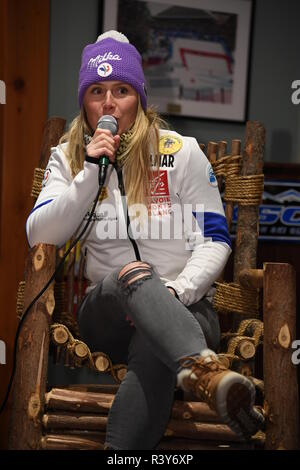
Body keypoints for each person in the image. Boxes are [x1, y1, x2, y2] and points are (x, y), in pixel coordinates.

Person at [26, 31, 264, 450]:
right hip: (106, 314)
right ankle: (208, 374)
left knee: (154, 347)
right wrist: (88, 174)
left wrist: (174, 293)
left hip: (188, 311)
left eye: (121, 89)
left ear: (140, 95)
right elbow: (40, 232)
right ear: (84, 100)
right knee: (131, 274)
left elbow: (216, 238)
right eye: (96, 91)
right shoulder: (67, 156)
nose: (109, 102)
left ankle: (187, 385)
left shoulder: (182, 152)